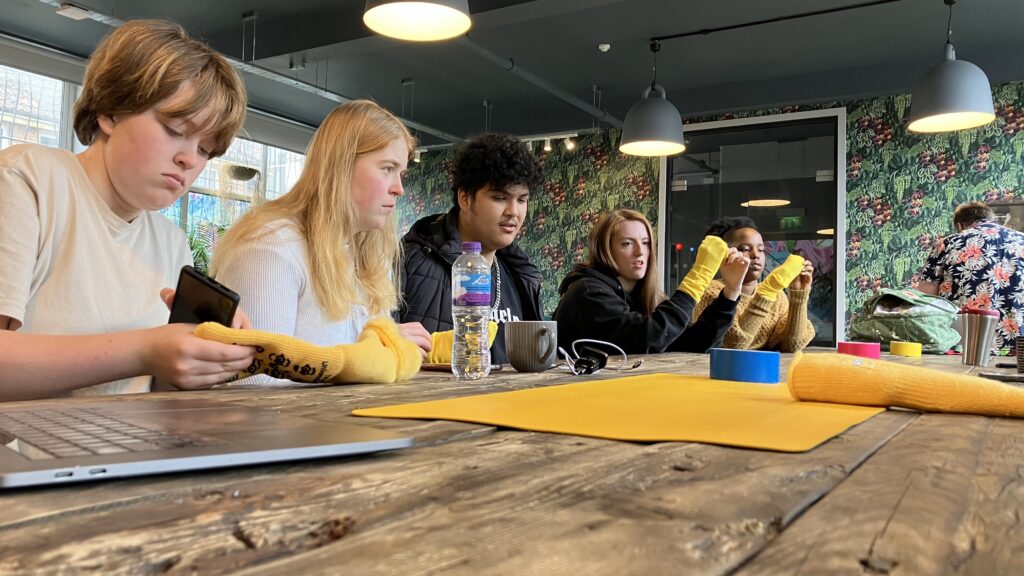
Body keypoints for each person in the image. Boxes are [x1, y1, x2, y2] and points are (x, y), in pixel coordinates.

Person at [0, 20, 255, 401]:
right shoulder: (30, 180)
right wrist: (147, 349)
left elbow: (155, 393)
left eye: (206, 150)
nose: (189, 159)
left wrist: (200, 360)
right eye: (174, 129)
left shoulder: (170, 242)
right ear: (111, 112)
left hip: (129, 450)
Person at [211, 100, 432, 381]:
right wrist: (382, 352)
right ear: (341, 166)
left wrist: (385, 351)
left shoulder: (371, 254)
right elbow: (256, 381)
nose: (398, 189)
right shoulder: (271, 246)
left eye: (401, 174)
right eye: (387, 168)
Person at [400, 133, 545, 364]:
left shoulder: (521, 274)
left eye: (522, 200)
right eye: (499, 197)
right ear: (465, 198)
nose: (514, 212)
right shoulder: (409, 260)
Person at [553, 208, 750, 354]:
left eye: (646, 243)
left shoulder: (641, 295)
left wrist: (731, 292)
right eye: (627, 243)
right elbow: (648, 338)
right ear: (605, 249)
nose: (640, 252)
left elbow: (692, 344)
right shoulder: (587, 291)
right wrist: (699, 275)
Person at [693, 216, 815, 352]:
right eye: (745, 249)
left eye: (761, 249)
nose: (755, 255)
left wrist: (799, 295)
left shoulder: (778, 298)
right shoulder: (711, 293)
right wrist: (767, 292)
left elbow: (792, 345)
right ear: (727, 255)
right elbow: (734, 345)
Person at [917, 201, 1024, 351]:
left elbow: (926, 298)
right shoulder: (1021, 241)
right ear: (991, 220)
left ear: (960, 225)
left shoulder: (948, 243)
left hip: (963, 341)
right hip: (1016, 344)